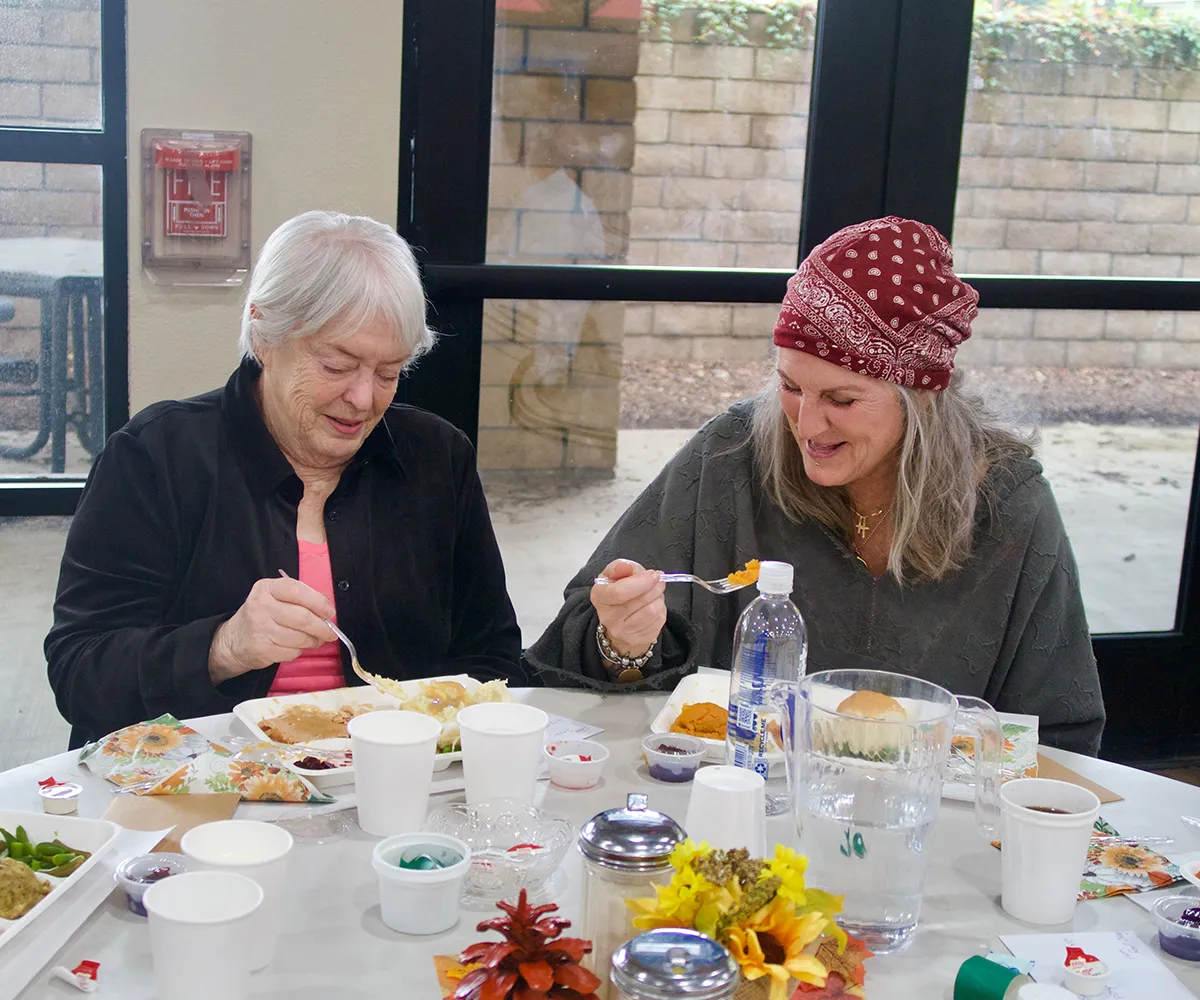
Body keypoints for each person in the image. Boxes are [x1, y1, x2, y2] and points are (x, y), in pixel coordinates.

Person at [525, 216, 1105, 755]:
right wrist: (624, 642)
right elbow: (587, 653)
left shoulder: (1007, 503)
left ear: (921, 400)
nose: (806, 426)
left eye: (842, 399)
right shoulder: (733, 453)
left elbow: (1056, 732)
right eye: (790, 386)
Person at [47, 211, 524, 747]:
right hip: (199, 783)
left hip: (398, 778)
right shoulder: (156, 457)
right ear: (264, 331)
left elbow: (493, 657)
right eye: (336, 366)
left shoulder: (437, 459)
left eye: (389, 373)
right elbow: (79, 670)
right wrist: (224, 646)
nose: (364, 400)